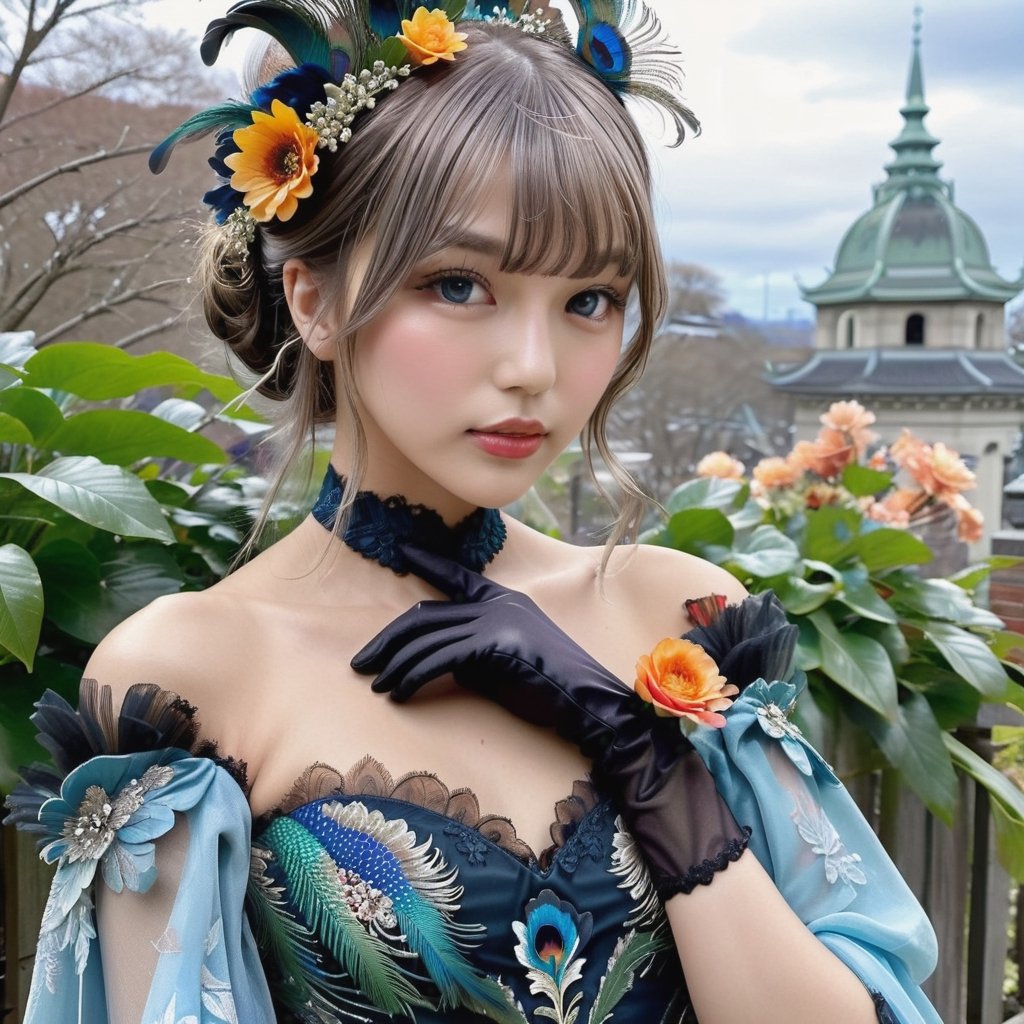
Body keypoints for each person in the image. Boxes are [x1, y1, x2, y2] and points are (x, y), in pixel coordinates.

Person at [6, 2, 942, 1022]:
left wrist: (636, 747)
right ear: (312, 300)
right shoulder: (191, 676)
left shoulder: (678, 624)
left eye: (590, 298)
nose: (534, 369)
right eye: (459, 284)